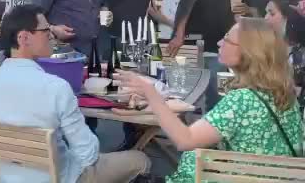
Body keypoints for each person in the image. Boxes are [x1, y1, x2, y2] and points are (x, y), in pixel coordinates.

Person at [0, 4, 151, 183]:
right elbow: (88, 155)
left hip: (9, 178)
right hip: (64, 177)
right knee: (140, 160)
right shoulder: (56, 88)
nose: (52, 36)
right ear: (24, 38)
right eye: (46, 31)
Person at [116, 18, 304, 183]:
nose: (220, 42)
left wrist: (151, 93)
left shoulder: (243, 99)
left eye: (228, 39)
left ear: (249, 52)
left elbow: (185, 140)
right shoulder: (282, 92)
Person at [265, 0, 305, 111]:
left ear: (288, 18)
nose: (266, 18)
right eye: (266, 13)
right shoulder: (267, 46)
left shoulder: (299, 55)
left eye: (272, 13)